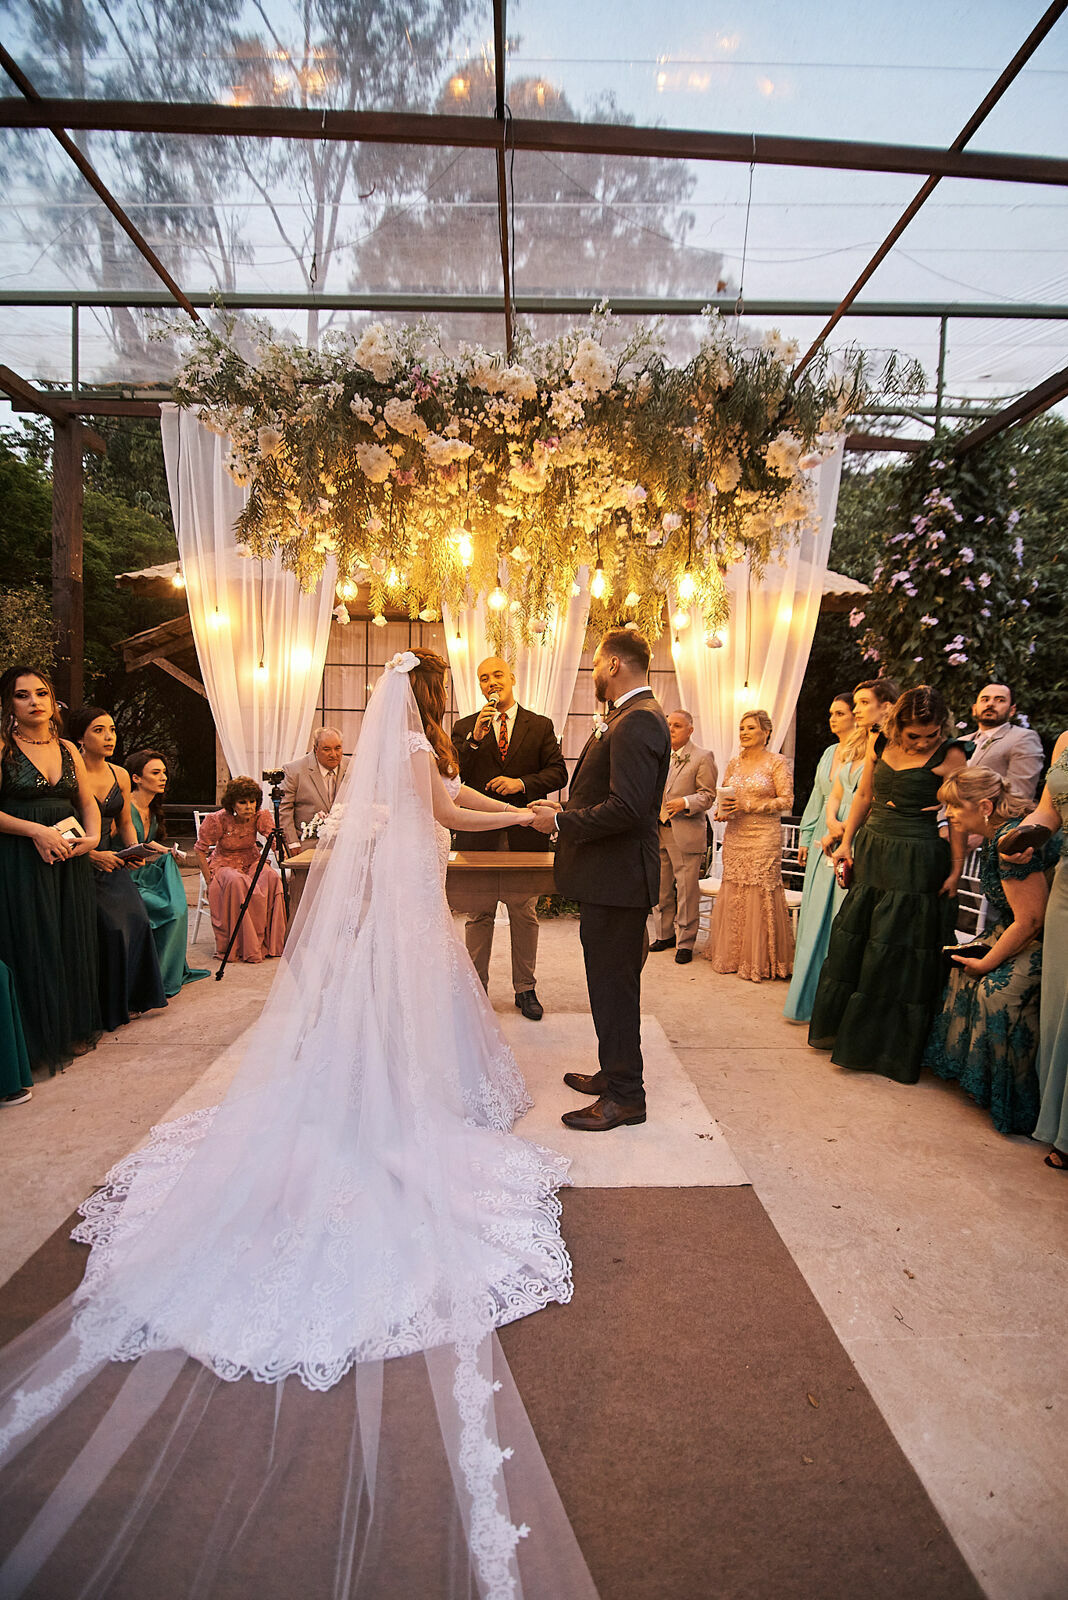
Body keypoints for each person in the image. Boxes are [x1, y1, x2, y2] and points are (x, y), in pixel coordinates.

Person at [0, 649, 594, 1600]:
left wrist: (510, 808)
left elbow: (439, 806)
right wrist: (518, 810)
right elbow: (447, 812)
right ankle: (391, 1112)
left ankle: (374, 1098)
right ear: (435, 694)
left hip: (399, 904)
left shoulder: (390, 742)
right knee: (404, 1017)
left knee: (383, 1016)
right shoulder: (411, 741)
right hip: (409, 907)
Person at [529, 628, 671, 1132]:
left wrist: (562, 822)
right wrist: (563, 807)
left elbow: (630, 810)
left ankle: (627, 1097)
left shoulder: (637, 721)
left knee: (614, 989)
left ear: (613, 664)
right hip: (609, 879)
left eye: (595, 663)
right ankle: (614, 1075)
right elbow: (608, 798)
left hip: (618, 881)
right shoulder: (630, 717)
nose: (592, 672)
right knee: (607, 987)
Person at [809, 685, 969, 1083]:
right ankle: (852, 1038)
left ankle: (888, 1050)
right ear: (898, 724)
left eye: (930, 735)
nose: (922, 742)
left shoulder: (952, 753)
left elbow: (961, 814)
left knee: (898, 950)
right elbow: (863, 793)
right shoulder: (878, 741)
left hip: (918, 857)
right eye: (914, 735)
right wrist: (847, 843)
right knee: (862, 943)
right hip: (874, 848)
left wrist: (956, 869)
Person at [922, 767, 1055, 1135]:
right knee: (959, 969)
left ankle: (1021, 1105)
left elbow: (1031, 922)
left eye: (954, 807)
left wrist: (987, 964)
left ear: (983, 806)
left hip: (1049, 935)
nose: (948, 814)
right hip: (1019, 925)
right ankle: (978, 1084)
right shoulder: (997, 832)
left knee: (996, 992)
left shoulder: (1009, 842)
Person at [0, 665, 101, 1082]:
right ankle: (35, 1041)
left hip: (69, 856)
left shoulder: (68, 748)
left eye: (41, 693)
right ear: (9, 704)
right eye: (23, 695)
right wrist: (35, 830)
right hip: (20, 858)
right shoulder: (3, 747)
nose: (34, 701)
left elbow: (88, 801)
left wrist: (93, 838)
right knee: (33, 937)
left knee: (66, 934)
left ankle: (69, 1027)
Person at [451, 657, 567, 1020]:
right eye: (483, 678)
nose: (490, 683)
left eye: (497, 675)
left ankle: (525, 989)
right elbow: (451, 777)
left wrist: (521, 784)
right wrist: (474, 741)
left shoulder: (540, 725)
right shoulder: (465, 727)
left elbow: (558, 772)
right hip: (477, 834)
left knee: (524, 911)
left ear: (512, 679)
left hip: (524, 832)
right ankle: (475, 990)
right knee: (479, 913)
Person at [68, 708, 167, 1030]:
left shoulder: (120, 774)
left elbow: (124, 821)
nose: (109, 736)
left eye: (112, 730)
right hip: (75, 860)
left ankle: (131, 998)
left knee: (137, 920)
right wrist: (90, 855)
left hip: (113, 861)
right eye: (99, 730)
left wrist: (134, 850)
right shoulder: (68, 770)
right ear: (80, 737)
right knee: (109, 928)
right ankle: (102, 1007)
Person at [998, 728, 1068, 1170]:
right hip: (1067, 888)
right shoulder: (1065, 740)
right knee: (1061, 1005)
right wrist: (1020, 838)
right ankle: (1064, 1130)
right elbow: (1049, 811)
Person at [784, 693, 866, 1023]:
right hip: (822, 840)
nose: (833, 718)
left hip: (850, 839)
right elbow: (818, 798)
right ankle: (806, 997)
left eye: (841, 713)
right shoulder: (830, 752)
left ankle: (832, 998)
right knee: (813, 917)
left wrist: (839, 830)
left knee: (838, 918)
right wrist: (807, 836)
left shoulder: (868, 753)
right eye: (830, 712)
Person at [701, 709, 795, 983]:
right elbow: (726, 796)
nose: (744, 732)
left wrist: (750, 805)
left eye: (751, 728)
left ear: (766, 732)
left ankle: (762, 958)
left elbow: (786, 800)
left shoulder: (776, 762)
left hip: (764, 836)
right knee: (735, 888)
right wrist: (722, 811)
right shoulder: (734, 763)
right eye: (742, 728)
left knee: (759, 890)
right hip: (736, 833)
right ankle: (734, 954)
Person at [126, 749, 210, 996]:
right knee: (171, 910)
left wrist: (163, 849)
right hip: (123, 876)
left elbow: (145, 842)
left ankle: (165, 972)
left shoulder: (151, 808)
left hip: (143, 873)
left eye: (164, 772)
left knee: (177, 906)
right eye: (155, 772)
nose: (163, 777)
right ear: (136, 778)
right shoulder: (125, 807)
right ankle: (158, 979)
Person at [195, 776, 288, 963]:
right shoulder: (217, 820)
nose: (249, 806)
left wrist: (282, 848)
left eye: (252, 801)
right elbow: (199, 850)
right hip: (224, 864)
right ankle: (244, 946)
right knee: (237, 881)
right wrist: (209, 880)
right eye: (242, 802)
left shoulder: (260, 816)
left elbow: (274, 843)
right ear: (232, 804)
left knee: (270, 877)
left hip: (251, 860)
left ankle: (270, 943)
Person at [649, 710, 716, 965]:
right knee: (660, 887)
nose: (671, 729)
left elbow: (708, 795)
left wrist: (686, 801)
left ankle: (685, 942)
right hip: (658, 830)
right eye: (668, 725)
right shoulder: (658, 755)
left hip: (685, 831)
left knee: (686, 891)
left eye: (677, 725)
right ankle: (664, 934)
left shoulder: (702, 757)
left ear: (690, 729)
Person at [965, 682, 1045, 802]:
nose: (990, 704)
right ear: (974, 709)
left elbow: (1020, 793)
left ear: (1012, 710)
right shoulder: (960, 741)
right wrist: (943, 820)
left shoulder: (1023, 738)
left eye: (1000, 700)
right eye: (985, 699)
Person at [279, 725, 348, 850]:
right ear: (315, 749)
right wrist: (292, 843)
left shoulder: (353, 768)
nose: (334, 754)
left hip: (346, 846)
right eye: (327, 749)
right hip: (308, 844)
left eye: (338, 748)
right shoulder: (294, 770)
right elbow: (284, 810)